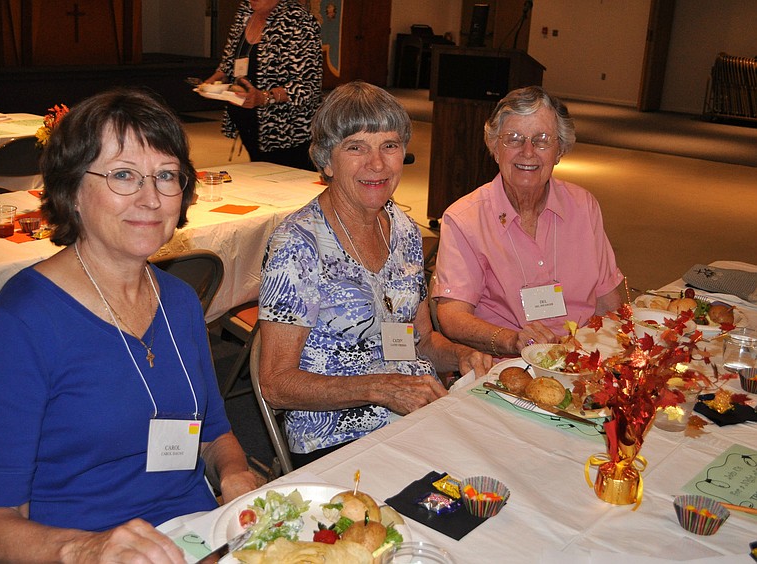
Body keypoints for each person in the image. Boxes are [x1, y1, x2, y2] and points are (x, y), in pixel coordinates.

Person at [0, 89, 258, 563]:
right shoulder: (20, 324)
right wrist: (87, 549)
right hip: (82, 546)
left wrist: (235, 473)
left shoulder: (180, 300)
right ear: (72, 192)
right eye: (123, 175)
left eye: (166, 175)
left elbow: (213, 431)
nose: (151, 198)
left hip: (195, 535)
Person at [257, 81, 492, 468]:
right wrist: (380, 388)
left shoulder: (405, 231)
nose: (377, 164)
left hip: (418, 417)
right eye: (356, 147)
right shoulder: (298, 245)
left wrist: (462, 354)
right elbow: (276, 383)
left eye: (389, 145)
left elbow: (421, 341)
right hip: (336, 437)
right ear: (326, 161)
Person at [433, 86, 624, 358]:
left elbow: (609, 302)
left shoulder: (584, 206)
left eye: (542, 140)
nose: (528, 151)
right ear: (494, 147)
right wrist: (511, 341)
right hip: (509, 365)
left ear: (560, 150)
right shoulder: (465, 219)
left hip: (581, 359)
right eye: (513, 139)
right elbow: (452, 316)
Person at [204, 0, 322, 171]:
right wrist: (213, 81)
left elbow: (308, 85)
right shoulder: (245, 12)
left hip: (285, 132)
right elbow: (230, 58)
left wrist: (264, 97)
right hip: (249, 124)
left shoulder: (298, 21)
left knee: (286, 181)